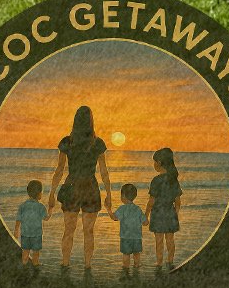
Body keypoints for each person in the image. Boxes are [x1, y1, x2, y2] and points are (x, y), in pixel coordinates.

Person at [46, 105, 112, 275]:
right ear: (91, 121)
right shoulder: (97, 143)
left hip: (71, 187)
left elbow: (60, 169)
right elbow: (104, 171)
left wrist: (52, 193)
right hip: (90, 188)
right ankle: (88, 267)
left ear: (75, 120)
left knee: (68, 230)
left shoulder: (67, 142)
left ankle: (65, 265)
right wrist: (109, 194)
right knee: (88, 232)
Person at [146, 148, 182, 273]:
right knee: (170, 240)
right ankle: (170, 261)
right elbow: (178, 202)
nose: (154, 164)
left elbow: (151, 201)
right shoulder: (173, 180)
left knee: (159, 241)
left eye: (154, 161)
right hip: (170, 212)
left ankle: (159, 263)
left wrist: (146, 214)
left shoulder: (156, 180)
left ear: (159, 162)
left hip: (157, 214)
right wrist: (175, 214)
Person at [111, 183, 145, 278]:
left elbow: (114, 218)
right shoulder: (138, 209)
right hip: (137, 237)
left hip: (125, 237)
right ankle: (137, 268)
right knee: (136, 254)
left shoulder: (122, 209)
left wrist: (109, 210)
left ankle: (126, 270)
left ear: (123, 196)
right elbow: (145, 222)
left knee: (126, 255)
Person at [14, 181, 48, 268]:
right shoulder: (41, 206)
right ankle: (35, 266)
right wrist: (51, 209)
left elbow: (18, 219)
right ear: (39, 193)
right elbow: (46, 218)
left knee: (25, 252)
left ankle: (24, 266)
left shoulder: (22, 206)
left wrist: (16, 231)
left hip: (25, 234)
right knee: (36, 253)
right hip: (36, 234)